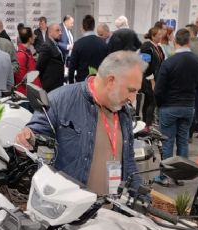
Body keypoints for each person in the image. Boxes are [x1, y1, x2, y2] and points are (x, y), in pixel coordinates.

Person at [15, 50, 145, 195]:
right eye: (131, 90)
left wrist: (142, 198)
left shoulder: (124, 113)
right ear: (111, 81)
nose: (132, 99)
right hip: (69, 211)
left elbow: (129, 161)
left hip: (110, 212)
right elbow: (34, 136)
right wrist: (26, 137)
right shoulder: (60, 100)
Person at [154, 28, 198, 187]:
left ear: (175, 42)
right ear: (189, 41)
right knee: (183, 142)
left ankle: (164, 177)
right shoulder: (197, 62)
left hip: (169, 106)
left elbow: (159, 89)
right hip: (188, 106)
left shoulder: (169, 62)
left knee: (167, 142)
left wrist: (160, 104)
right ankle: (180, 176)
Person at [139, 25, 166, 128]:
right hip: (148, 80)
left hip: (157, 78)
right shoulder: (146, 46)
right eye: (159, 35)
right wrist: (152, 80)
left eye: (161, 34)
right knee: (151, 101)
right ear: (153, 36)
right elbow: (144, 66)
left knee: (150, 102)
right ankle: (147, 125)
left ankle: (147, 124)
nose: (161, 36)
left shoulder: (158, 47)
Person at [68, 15, 108, 83]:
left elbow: (72, 67)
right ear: (94, 27)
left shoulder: (78, 44)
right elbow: (107, 65)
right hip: (98, 82)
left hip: (82, 83)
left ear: (82, 27)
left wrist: (71, 83)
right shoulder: (103, 44)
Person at [36, 23, 65, 93]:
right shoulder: (46, 46)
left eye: (60, 30)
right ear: (50, 32)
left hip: (57, 85)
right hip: (51, 87)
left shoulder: (55, 45)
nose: (60, 33)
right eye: (57, 30)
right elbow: (39, 66)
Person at [15, 27, 42, 95]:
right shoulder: (21, 55)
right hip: (26, 95)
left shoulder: (28, 52)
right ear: (29, 39)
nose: (35, 36)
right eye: (33, 35)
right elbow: (23, 80)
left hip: (32, 93)